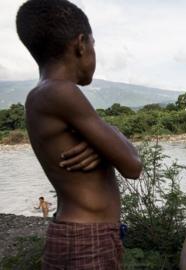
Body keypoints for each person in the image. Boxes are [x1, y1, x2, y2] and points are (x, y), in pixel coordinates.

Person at [16, 1, 142, 268]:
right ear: (81, 44)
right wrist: (112, 136)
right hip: (88, 240)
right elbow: (133, 165)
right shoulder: (61, 92)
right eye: (94, 44)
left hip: (75, 235)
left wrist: (107, 138)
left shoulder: (42, 94)